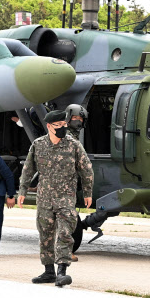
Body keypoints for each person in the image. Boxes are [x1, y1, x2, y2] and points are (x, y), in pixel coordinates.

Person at [18, 110, 93, 287]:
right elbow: (28, 168)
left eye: (64, 125)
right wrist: (22, 190)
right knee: (45, 234)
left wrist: (88, 192)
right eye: (58, 125)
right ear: (49, 126)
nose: (62, 128)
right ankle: (48, 271)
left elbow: (86, 169)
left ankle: (62, 271)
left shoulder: (73, 145)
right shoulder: (38, 144)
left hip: (66, 197)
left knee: (65, 233)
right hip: (44, 197)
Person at [64, 103, 89, 262]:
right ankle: (65, 252)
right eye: (74, 118)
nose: (77, 121)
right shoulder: (65, 136)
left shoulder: (74, 136)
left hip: (71, 182)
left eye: (80, 118)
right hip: (63, 184)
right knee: (66, 218)